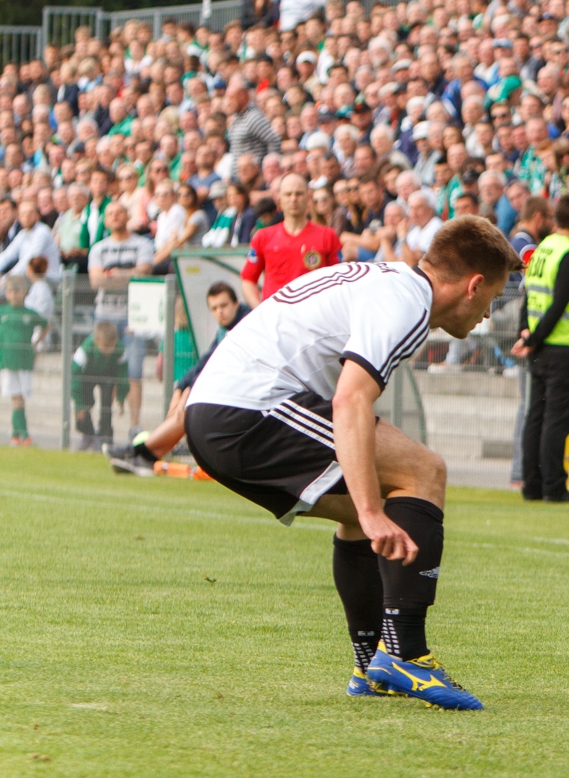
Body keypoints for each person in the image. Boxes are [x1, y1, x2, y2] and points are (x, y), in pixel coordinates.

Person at [185, 217, 521, 709]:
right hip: (249, 409)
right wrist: (368, 507)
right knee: (423, 472)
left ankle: (371, 664)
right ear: (473, 286)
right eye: (490, 299)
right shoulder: (407, 303)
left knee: (377, 496)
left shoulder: (388, 282)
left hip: (218, 410)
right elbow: (349, 402)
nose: (487, 315)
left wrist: (367, 509)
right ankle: (406, 653)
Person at [106, 283, 250, 476]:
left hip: (245, 401)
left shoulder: (244, 326)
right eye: (214, 308)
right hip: (231, 398)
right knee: (183, 410)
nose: (219, 312)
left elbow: (217, 365)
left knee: (185, 411)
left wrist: (189, 388)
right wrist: (180, 388)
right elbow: (206, 361)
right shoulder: (227, 327)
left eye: (223, 306)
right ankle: (142, 455)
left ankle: (140, 454)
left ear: (236, 303)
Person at [513, 194, 569, 505]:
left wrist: (528, 335)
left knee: (536, 415)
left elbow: (528, 294)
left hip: (540, 346)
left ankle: (532, 485)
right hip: (563, 346)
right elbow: (560, 303)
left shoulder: (543, 249)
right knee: (556, 419)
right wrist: (534, 337)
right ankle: (554, 486)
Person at [87, 202, 154, 439]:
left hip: (134, 316)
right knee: (102, 372)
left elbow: (145, 272)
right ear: (105, 220)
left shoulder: (142, 244)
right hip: (104, 315)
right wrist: (129, 275)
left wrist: (114, 276)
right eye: (110, 214)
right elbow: (96, 282)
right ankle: (104, 425)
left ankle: (135, 425)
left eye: (119, 212)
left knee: (134, 371)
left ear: (127, 216)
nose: (115, 217)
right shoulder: (98, 248)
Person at [238, 175, 344, 308]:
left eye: (299, 194)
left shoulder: (327, 236)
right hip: (277, 319)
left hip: (315, 318)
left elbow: (339, 280)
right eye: (288, 194)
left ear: (308, 197)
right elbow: (248, 279)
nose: (293, 199)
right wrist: (261, 311)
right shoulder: (263, 237)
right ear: (279, 199)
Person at [0, 274, 46, 445]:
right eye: (10, 291)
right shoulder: (2, 312)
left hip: (24, 361)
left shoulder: (29, 314)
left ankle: (16, 435)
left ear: (25, 292)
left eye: (17, 291)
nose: (13, 295)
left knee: (20, 399)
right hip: (7, 361)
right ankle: (24, 435)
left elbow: (45, 324)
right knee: (16, 398)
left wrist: (36, 342)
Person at [72, 321, 128, 448]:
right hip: (87, 376)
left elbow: (123, 375)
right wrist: (78, 405)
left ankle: (105, 436)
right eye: (106, 346)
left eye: (112, 346)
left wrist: (121, 396)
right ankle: (88, 434)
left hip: (108, 375)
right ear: (96, 341)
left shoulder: (120, 349)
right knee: (86, 404)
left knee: (107, 403)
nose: (110, 350)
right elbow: (74, 375)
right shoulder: (85, 349)